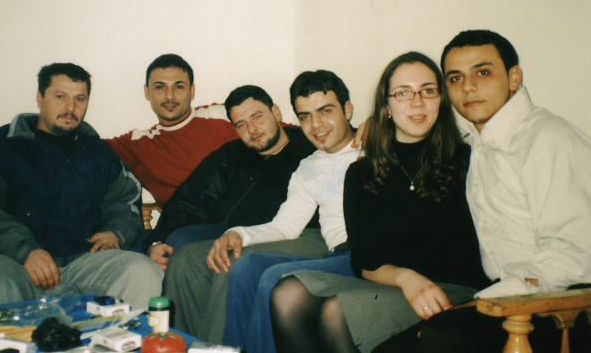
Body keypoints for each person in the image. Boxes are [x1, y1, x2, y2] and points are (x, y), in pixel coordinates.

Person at [375, 30, 591, 353]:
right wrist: (375, 125)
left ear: (513, 77)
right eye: (455, 78)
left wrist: (486, 302)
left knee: (440, 336)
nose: (468, 87)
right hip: (508, 300)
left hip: (556, 307)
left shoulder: (548, 139)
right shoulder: (478, 141)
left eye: (483, 72)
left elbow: (576, 254)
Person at [269, 52, 492, 353]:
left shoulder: (469, 160)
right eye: (403, 93)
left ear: (441, 99)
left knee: (337, 312)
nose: (417, 103)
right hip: (395, 284)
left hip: (454, 289)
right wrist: (406, 279)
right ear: (386, 106)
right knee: (288, 293)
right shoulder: (362, 172)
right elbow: (363, 258)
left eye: (427, 91)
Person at [163, 70, 359, 344]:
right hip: (323, 246)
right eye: (305, 116)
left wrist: (378, 124)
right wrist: (237, 233)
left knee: (242, 265)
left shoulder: (375, 144)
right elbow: (285, 225)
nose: (316, 125)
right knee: (190, 257)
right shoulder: (307, 167)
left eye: (325, 111)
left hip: (334, 245)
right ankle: (185, 345)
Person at [0, 63, 163, 310]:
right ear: (40, 98)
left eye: (79, 99)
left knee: (143, 272)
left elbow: (125, 202)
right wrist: (25, 250)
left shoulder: (99, 152)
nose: (70, 108)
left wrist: (114, 233)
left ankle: (122, 336)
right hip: (14, 263)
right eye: (60, 97)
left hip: (85, 263)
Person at [142, 84, 318, 268]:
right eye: (241, 124)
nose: (252, 129)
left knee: (227, 259)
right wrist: (156, 241)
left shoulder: (310, 147)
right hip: (232, 232)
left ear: (276, 112)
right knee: (177, 242)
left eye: (257, 117)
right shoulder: (229, 156)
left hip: (290, 236)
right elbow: (187, 201)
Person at [105, 54, 239, 208]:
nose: (169, 96)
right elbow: (88, 145)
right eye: (160, 87)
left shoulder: (224, 115)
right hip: (187, 222)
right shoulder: (137, 145)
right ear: (147, 92)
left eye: (179, 87)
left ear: (192, 91)